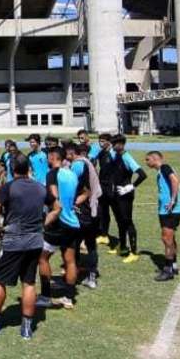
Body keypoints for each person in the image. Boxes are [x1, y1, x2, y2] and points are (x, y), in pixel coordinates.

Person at [0, 154, 47, 339]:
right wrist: (43, 225)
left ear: (11, 168)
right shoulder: (40, 188)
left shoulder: (8, 187)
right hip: (35, 241)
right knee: (29, 283)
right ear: (29, 168)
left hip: (12, 241)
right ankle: (26, 328)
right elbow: (56, 207)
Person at [37, 147, 88, 310]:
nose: (46, 159)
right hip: (73, 223)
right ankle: (69, 297)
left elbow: (53, 197)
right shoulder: (72, 173)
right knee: (70, 260)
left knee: (42, 258)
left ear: (53, 157)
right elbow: (86, 192)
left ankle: (45, 296)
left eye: (48, 156)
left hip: (58, 222)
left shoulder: (52, 173)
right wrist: (74, 203)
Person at [108, 134, 147, 263]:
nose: (113, 146)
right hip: (116, 194)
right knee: (119, 221)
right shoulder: (115, 156)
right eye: (112, 144)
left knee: (127, 221)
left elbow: (142, 174)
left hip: (126, 195)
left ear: (122, 144)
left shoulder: (127, 157)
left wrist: (131, 186)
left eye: (115, 144)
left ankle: (134, 252)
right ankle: (123, 247)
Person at [145, 151, 180, 281]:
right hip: (167, 211)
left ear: (155, 159)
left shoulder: (165, 168)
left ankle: (168, 271)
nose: (146, 162)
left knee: (166, 239)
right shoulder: (161, 171)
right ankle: (173, 265)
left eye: (148, 159)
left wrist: (172, 200)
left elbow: (175, 180)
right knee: (170, 238)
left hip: (170, 211)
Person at [69, 144, 103, 289]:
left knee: (74, 243)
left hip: (84, 210)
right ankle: (91, 276)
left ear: (71, 152)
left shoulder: (77, 165)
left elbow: (76, 187)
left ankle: (74, 274)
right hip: (93, 208)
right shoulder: (88, 162)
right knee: (91, 244)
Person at [94, 133, 115, 246]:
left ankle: (121, 241)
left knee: (117, 213)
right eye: (99, 141)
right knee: (103, 211)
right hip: (102, 185)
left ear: (109, 142)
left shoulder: (115, 154)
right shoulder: (101, 153)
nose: (100, 143)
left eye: (103, 141)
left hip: (112, 186)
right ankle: (104, 235)